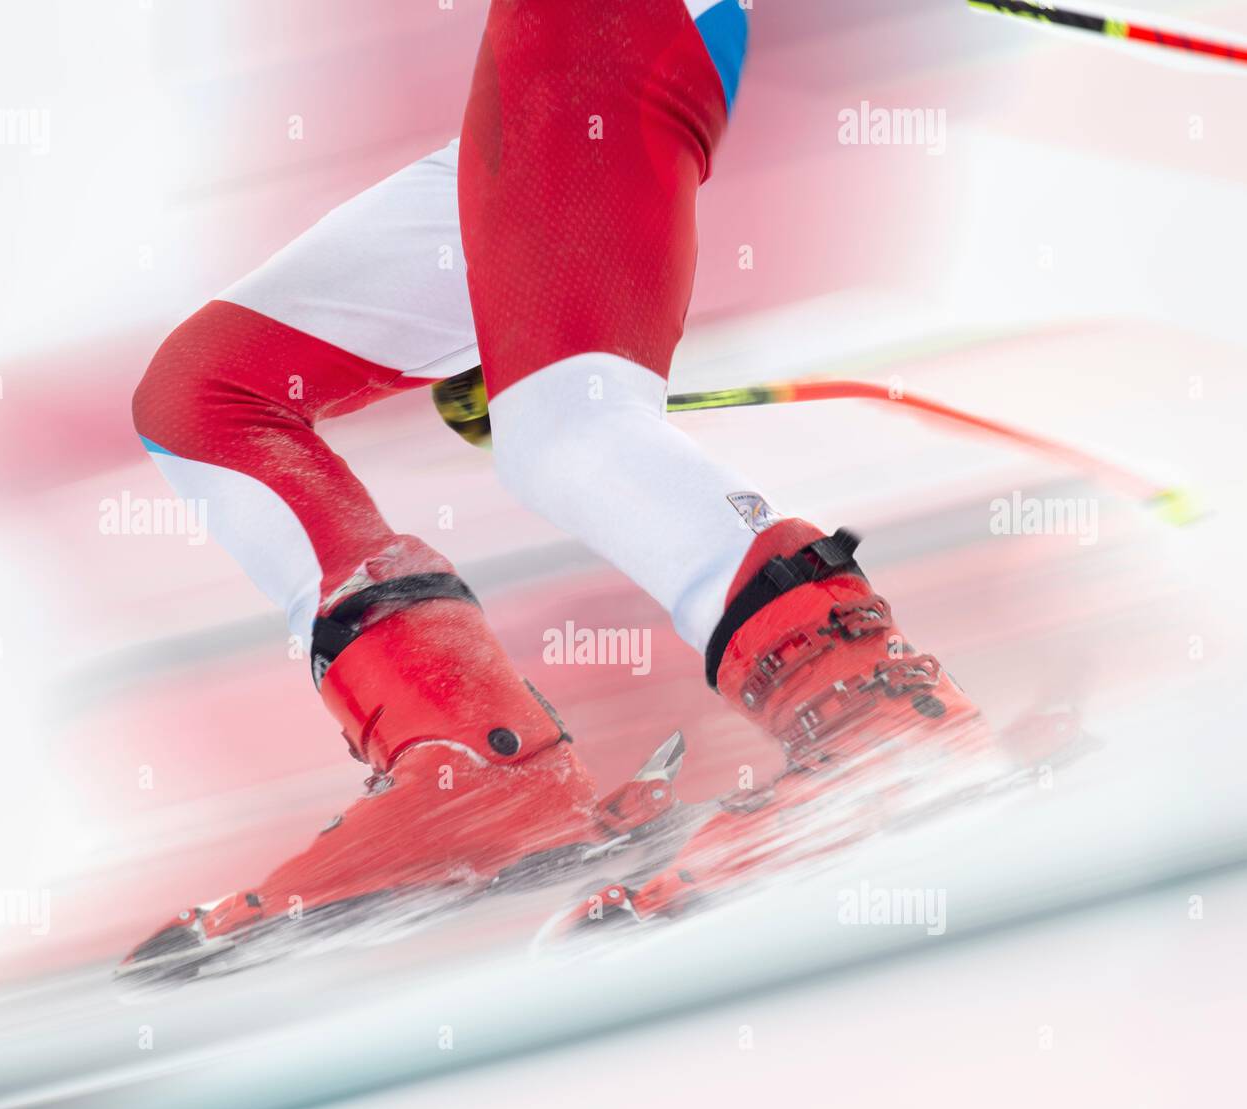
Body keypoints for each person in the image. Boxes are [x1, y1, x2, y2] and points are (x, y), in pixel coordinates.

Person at [127, 1, 975, 957]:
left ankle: (871, 705)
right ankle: (477, 774)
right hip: (535, 72)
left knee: (567, 431)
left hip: (603, 30)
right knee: (208, 399)